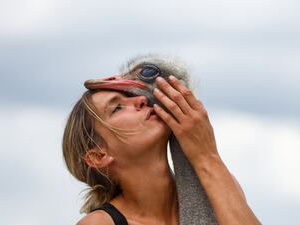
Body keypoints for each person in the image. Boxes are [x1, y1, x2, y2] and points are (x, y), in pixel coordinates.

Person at [63, 76, 261, 225]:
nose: (141, 100)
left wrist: (207, 157)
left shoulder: (217, 189)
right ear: (98, 156)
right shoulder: (100, 223)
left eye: (132, 97)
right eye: (117, 108)